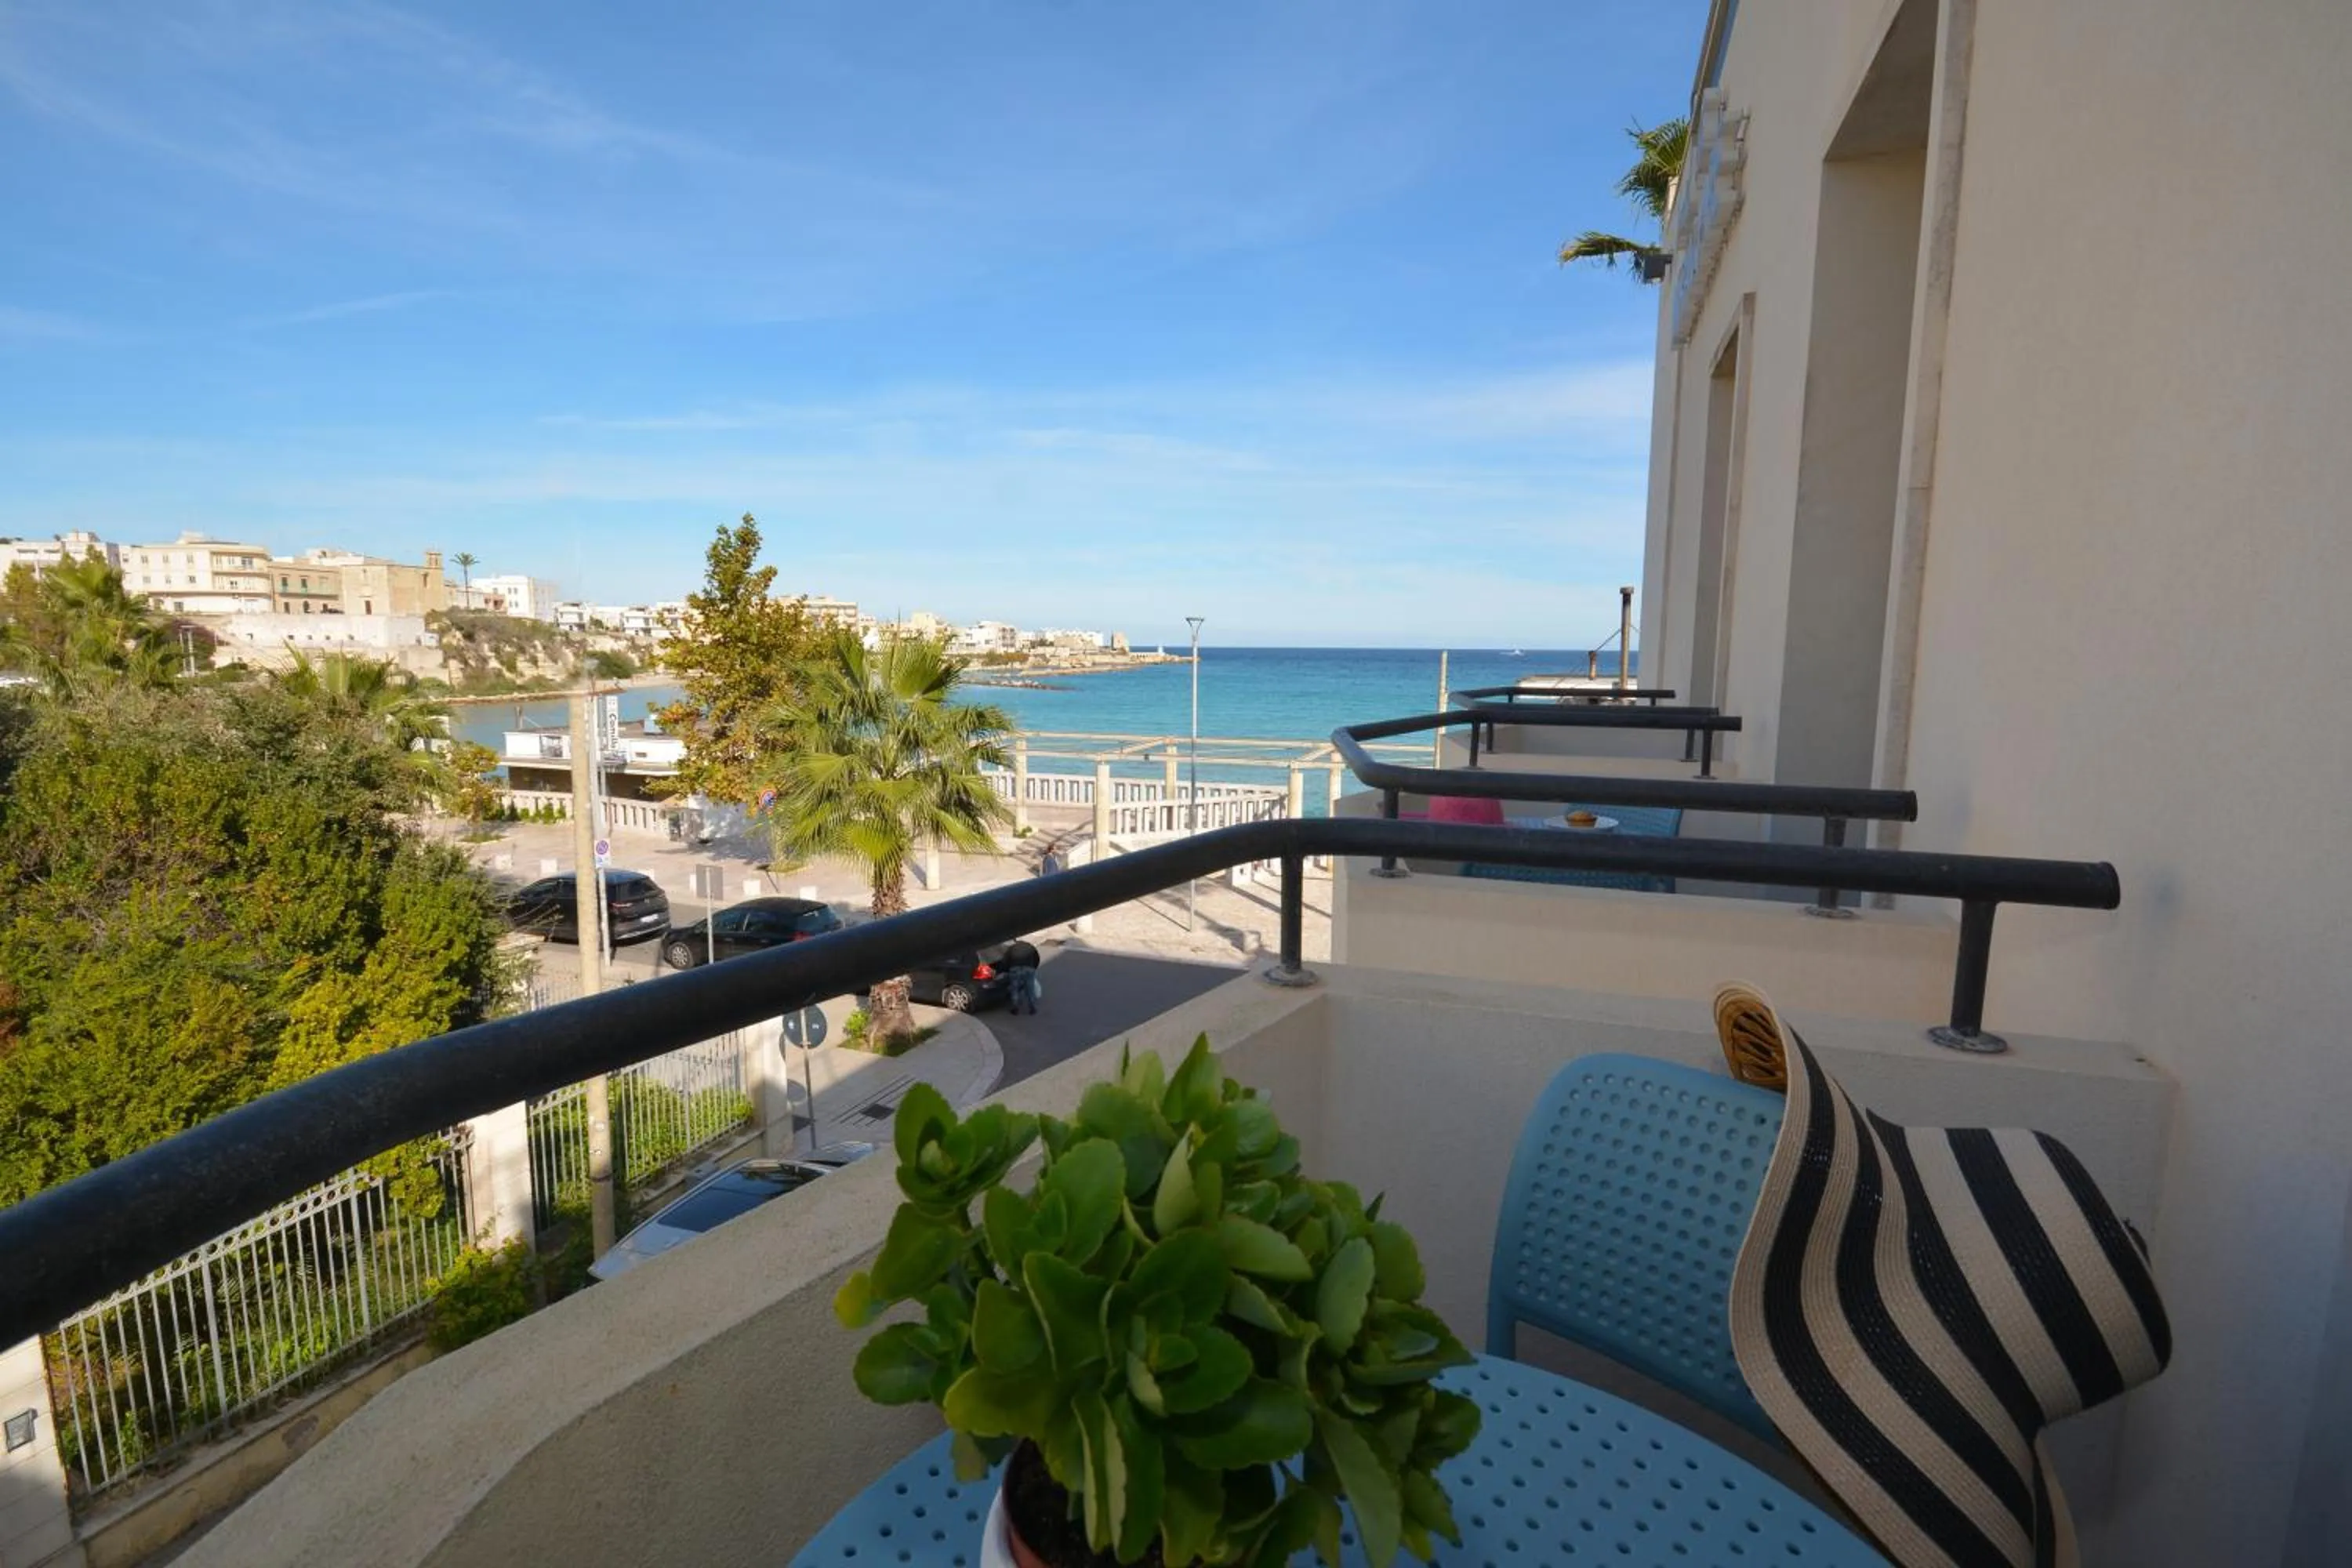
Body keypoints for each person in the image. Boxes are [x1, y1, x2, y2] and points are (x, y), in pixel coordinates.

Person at [1003, 938, 1043, 1015]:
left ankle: (1015, 1008)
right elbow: (1037, 958)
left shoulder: (1012, 948)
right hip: (1029, 969)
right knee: (1030, 989)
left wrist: (1008, 969)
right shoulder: (1030, 947)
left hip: (1015, 969)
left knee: (1015, 989)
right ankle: (1032, 1007)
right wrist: (1033, 967)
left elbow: (1005, 960)